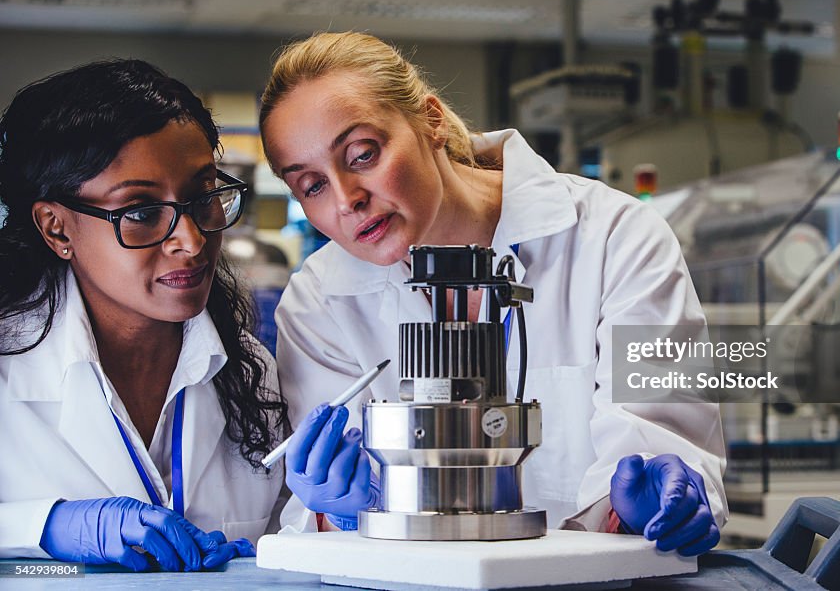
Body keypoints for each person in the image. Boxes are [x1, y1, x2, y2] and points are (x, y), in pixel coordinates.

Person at [260, 32, 726, 555]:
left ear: (430, 121)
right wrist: (341, 512)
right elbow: (320, 514)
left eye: (363, 154)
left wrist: (650, 503)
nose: (347, 200)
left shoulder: (613, 236)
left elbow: (657, 437)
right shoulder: (320, 299)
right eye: (311, 186)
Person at [0, 60, 289, 571]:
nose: (192, 240)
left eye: (203, 197)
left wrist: (323, 522)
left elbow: (292, 531)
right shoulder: (8, 364)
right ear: (57, 229)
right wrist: (42, 526)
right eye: (139, 211)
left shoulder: (251, 370)